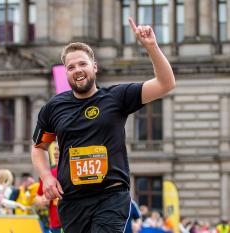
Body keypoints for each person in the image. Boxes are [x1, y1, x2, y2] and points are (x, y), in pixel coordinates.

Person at [31, 17, 176, 233]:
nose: (77, 70)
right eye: (71, 67)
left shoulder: (116, 97)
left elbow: (166, 84)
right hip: (72, 201)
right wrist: (46, 177)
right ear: (66, 73)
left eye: (82, 64)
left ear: (94, 67)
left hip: (110, 195)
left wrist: (151, 46)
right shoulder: (54, 107)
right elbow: (38, 148)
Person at [36, 142, 62, 233]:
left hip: (74, 222)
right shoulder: (49, 174)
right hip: (56, 225)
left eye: (59, 149)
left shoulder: (75, 172)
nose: (55, 152)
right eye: (55, 149)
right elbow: (38, 198)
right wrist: (44, 199)